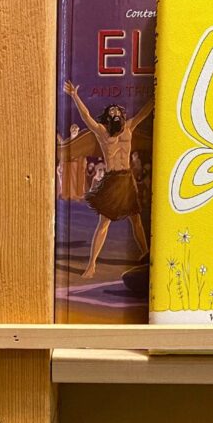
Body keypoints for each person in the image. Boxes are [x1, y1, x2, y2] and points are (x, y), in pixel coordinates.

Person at [63, 81, 152, 279]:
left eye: (116, 111)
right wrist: (75, 96)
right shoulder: (102, 132)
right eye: (111, 112)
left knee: (136, 219)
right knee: (104, 223)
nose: (114, 113)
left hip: (127, 179)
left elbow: (144, 113)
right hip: (112, 181)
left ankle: (146, 255)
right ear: (108, 117)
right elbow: (86, 117)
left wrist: (157, 93)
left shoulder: (129, 127)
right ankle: (91, 265)